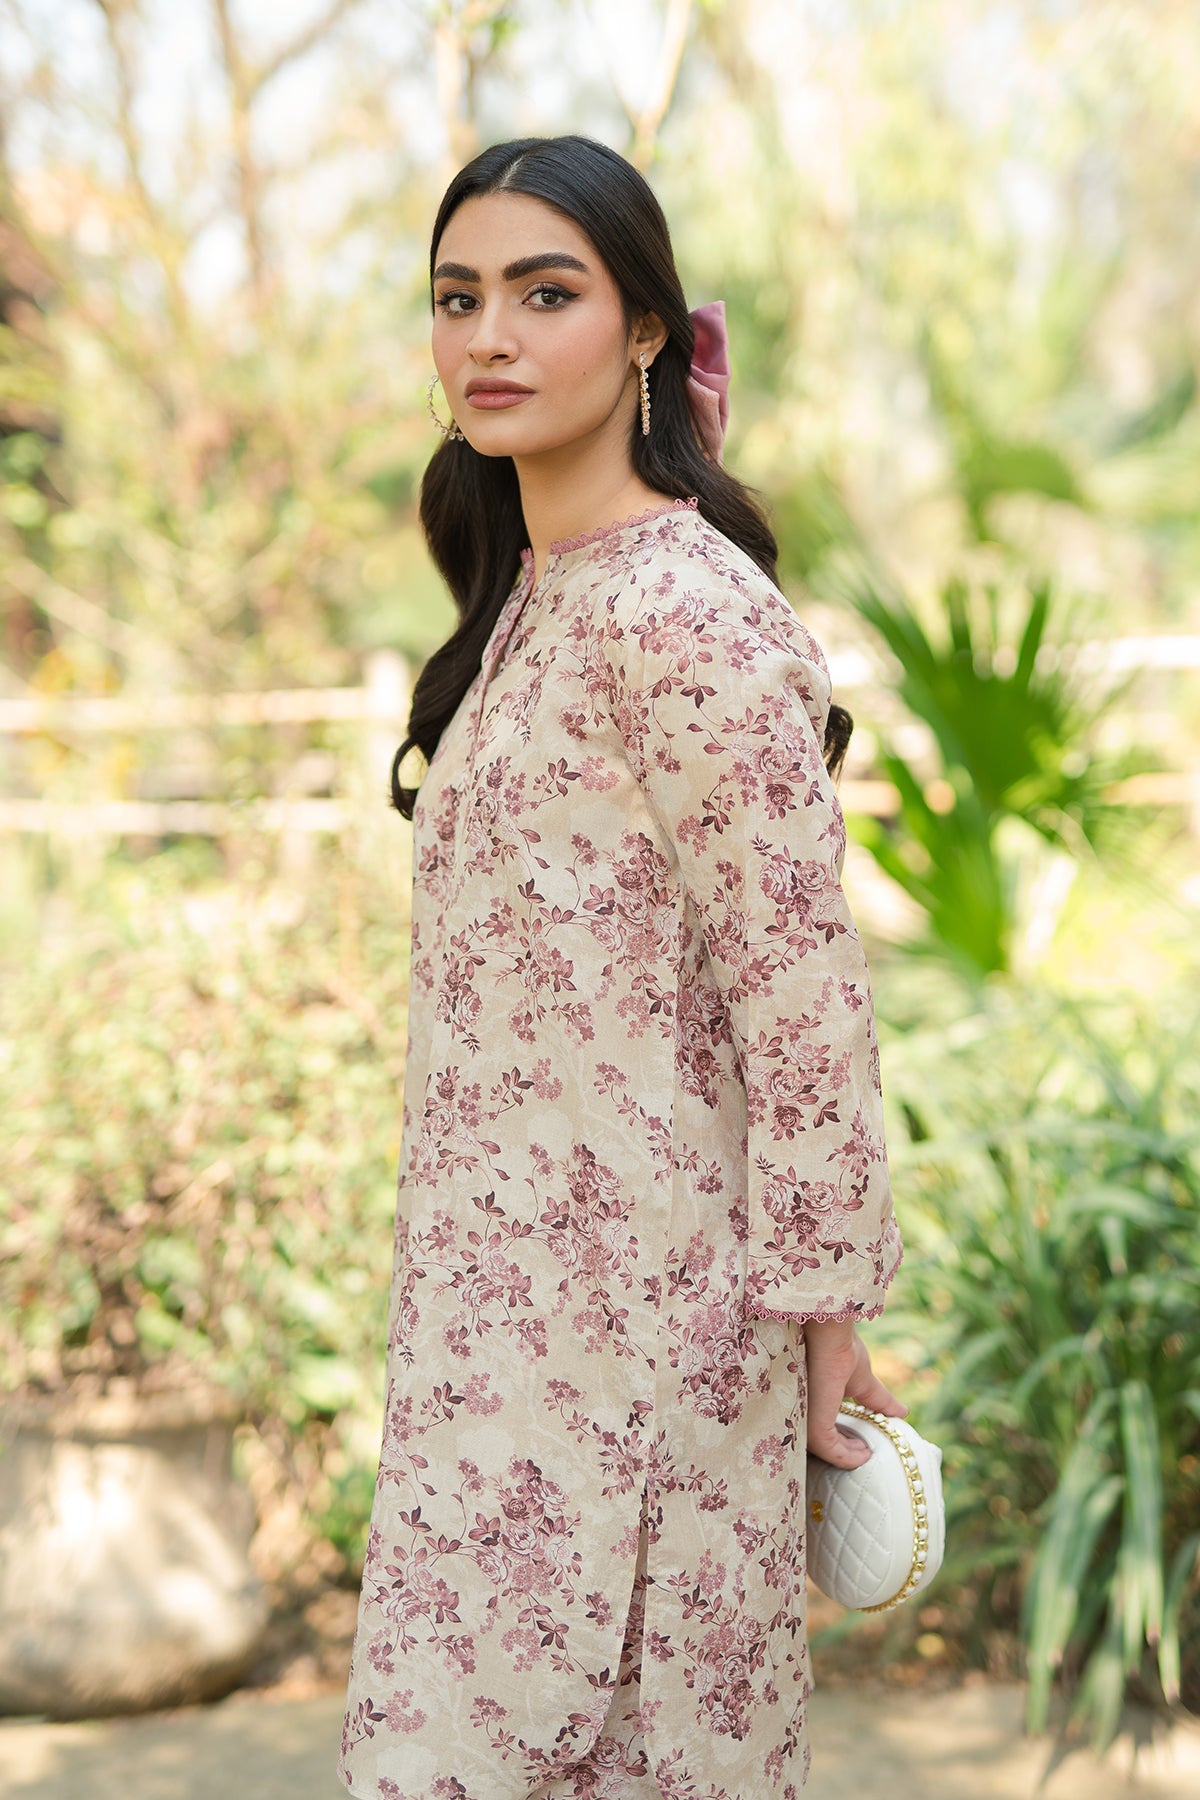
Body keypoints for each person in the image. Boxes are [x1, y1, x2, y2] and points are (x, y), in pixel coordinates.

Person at [339, 133, 905, 1800]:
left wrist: (826, 1325)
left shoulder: (689, 617)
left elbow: (805, 1009)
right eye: (458, 299)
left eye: (545, 294)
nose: (490, 338)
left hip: (645, 1362)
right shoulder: (530, 601)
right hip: (484, 1342)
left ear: (645, 326)